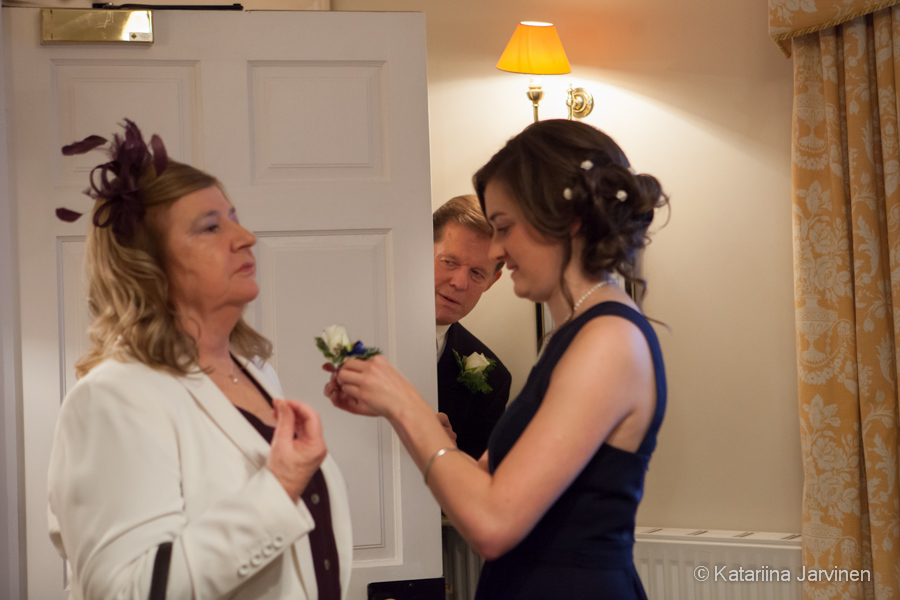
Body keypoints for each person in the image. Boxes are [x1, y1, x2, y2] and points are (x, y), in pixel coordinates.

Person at [326, 119, 668, 599]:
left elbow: (493, 525)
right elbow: (483, 490)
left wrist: (404, 401)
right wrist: (400, 414)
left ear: (563, 222)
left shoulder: (609, 339)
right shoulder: (572, 334)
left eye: (505, 228)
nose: (499, 253)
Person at [47, 120, 351, 600]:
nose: (246, 236)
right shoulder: (113, 398)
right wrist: (279, 485)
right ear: (149, 265)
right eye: (211, 227)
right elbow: (124, 591)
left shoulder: (257, 376)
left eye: (234, 217)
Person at [433, 195, 511, 459]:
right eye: (449, 262)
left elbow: (476, 491)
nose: (459, 282)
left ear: (492, 280)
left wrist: (448, 455)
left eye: (477, 273)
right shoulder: (352, 332)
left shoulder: (494, 378)